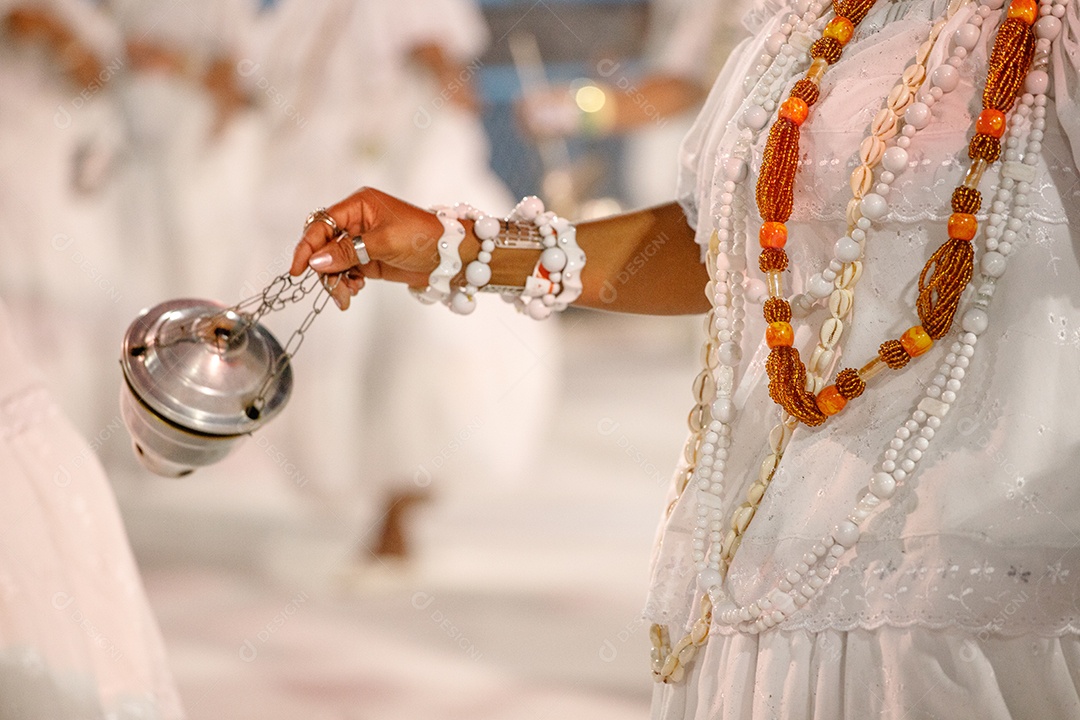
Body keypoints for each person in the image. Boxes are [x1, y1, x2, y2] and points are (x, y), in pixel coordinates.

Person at [283, 0, 1080, 715]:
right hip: (756, 570)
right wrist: (459, 248)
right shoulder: (803, 22)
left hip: (969, 592)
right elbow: (717, 243)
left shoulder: (1048, 32)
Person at [246, 0, 559, 570]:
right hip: (381, 180)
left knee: (410, 343)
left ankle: (394, 507)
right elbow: (442, 71)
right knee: (402, 341)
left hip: (378, 179)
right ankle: (391, 505)